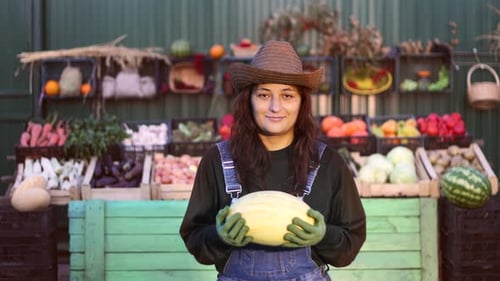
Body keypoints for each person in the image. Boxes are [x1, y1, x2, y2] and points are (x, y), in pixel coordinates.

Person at [179, 40, 366, 281]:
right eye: (264, 94)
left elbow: (350, 243)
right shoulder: (217, 161)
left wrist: (324, 236)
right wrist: (218, 236)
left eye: (287, 95)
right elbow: (194, 237)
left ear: (301, 102)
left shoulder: (328, 164)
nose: (275, 107)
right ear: (249, 100)